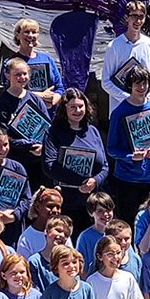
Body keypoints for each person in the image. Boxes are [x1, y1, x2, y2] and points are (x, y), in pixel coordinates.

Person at [105, 66, 150, 219]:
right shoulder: (118, 113)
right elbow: (111, 149)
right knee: (128, 222)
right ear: (130, 85)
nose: (142, 87)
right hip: (126, 179)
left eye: (145, 83)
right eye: (137, 83)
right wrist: (130, 156)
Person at [0, 57, 57, 182]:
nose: (22, 77)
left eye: (24, 74)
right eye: (17, 74)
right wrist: (29, 146)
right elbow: (4, 135)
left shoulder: (35, 99)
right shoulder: (2, 103)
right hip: (16, 159)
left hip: (40, 158)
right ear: (7, 76)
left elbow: (47, 127)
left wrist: (42, 146)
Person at [45, 88, 107, 220]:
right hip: (64, 203)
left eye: (80, 106)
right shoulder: (53, 132)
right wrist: (81, 182)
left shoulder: (93, 131)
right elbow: (49, 166)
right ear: (64, 108)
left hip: (92, 204)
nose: (77, 110)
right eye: (72, 107)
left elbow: (105, 166)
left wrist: (95, 181)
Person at [101, 0, 150, 98]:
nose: (138, 21)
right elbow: (105, 82)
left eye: (141, 17)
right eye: (134, 16)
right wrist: (128, 99)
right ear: (126, 18)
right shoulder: (113, 46)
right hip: (120, 104)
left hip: (144, 103)